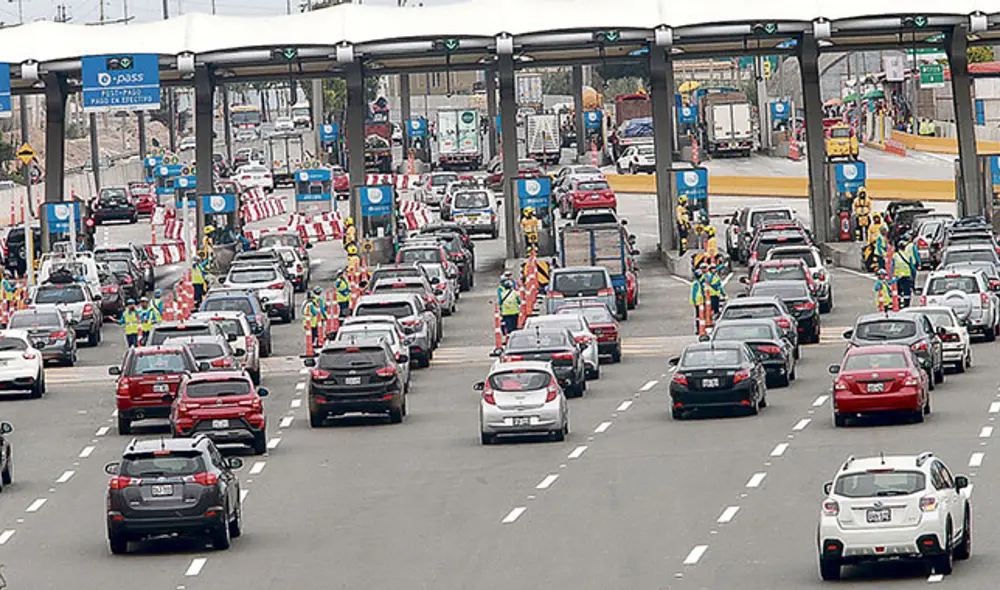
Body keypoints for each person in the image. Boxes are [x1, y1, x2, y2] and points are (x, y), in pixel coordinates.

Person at [891, 239, 915, 307]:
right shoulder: (908, 255)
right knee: (907, 291)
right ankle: (906, 304)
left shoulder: (895, 255)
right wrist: (913, 275)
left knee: (899, 290)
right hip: (907, 276)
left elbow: (892, 266)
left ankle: (899, 303)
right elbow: (912, 266)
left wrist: (891, 276)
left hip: (898, 276)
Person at [689, 269, 708, 333]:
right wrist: (694, 301)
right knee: (698, 315)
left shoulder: (700, 282)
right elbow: (694, 293)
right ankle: (698, 328)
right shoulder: (696, 283)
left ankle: (702, 327)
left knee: (702, 315)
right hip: (698, 301)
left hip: (701, 300)